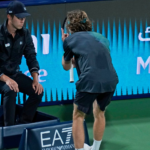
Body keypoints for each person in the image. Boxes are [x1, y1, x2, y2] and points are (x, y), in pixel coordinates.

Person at [61, 10, 119, 150]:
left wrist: (66, 46)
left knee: (78, 116)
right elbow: (95, 57)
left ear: (70, 26)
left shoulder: (69, 40)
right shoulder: (102, 37)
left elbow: (66, 66)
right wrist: (78, 62)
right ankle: (95, 148)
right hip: (111, 79)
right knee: (99, 113)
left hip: (90, 79)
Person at [0, 1, 44, 126]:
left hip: (14, 74)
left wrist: (35, 79)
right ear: (9, 16)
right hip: (1, 76)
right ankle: (9, 129)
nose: (22, 20)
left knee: (38, 91)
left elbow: (31, 56)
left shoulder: (25, 34)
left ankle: (23, 124)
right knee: (10, 89)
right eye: (19, 18)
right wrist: (6, 79)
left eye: (23, 18)